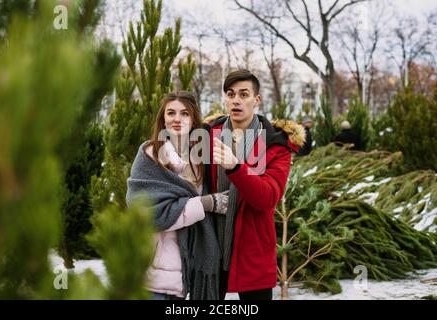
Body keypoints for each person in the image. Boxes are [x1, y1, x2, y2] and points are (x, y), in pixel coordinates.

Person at [203, 69, 305, 300]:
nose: (236, 100)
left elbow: (268, 197)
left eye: (244, 94)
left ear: (256, 100)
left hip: (253, 251)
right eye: (231, 94)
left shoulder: (275, 143)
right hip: (210, 248)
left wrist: (236, 168)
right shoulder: (209, 134)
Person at [126, 91, 228, 300]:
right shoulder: (149, 154)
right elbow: (149, 215)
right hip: (152, 274)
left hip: (184, 273)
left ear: (193, 119)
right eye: (171, 113)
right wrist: (205, 204)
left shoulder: (199, 160)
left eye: (184, 113)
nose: (177, 119)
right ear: (163, 118)